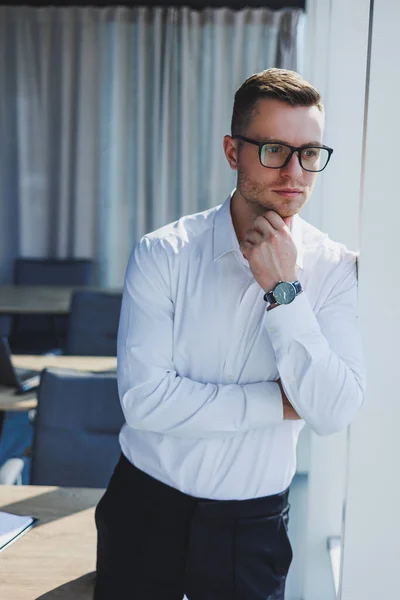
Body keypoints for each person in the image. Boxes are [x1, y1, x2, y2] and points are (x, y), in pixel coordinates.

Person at [94, 68, 365, 600]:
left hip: (253, 528)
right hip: (144, 513)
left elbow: (332, 412)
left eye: (309, 152)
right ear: (231, 151)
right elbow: (145, 402)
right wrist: (280, 403)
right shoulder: (163, 253)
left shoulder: (334, 269)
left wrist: (284, 289)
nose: (294, 172)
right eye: (272, 149)